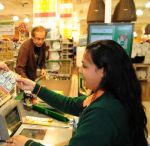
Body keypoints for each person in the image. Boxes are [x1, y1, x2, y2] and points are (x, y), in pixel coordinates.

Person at [8, 40, 148, 146]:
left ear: (103, 71)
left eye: (85, 66)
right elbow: (69, 104)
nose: (80, 70)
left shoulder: (102, 113)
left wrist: (27, 144)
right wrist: (35, 88)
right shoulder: (109, 95)